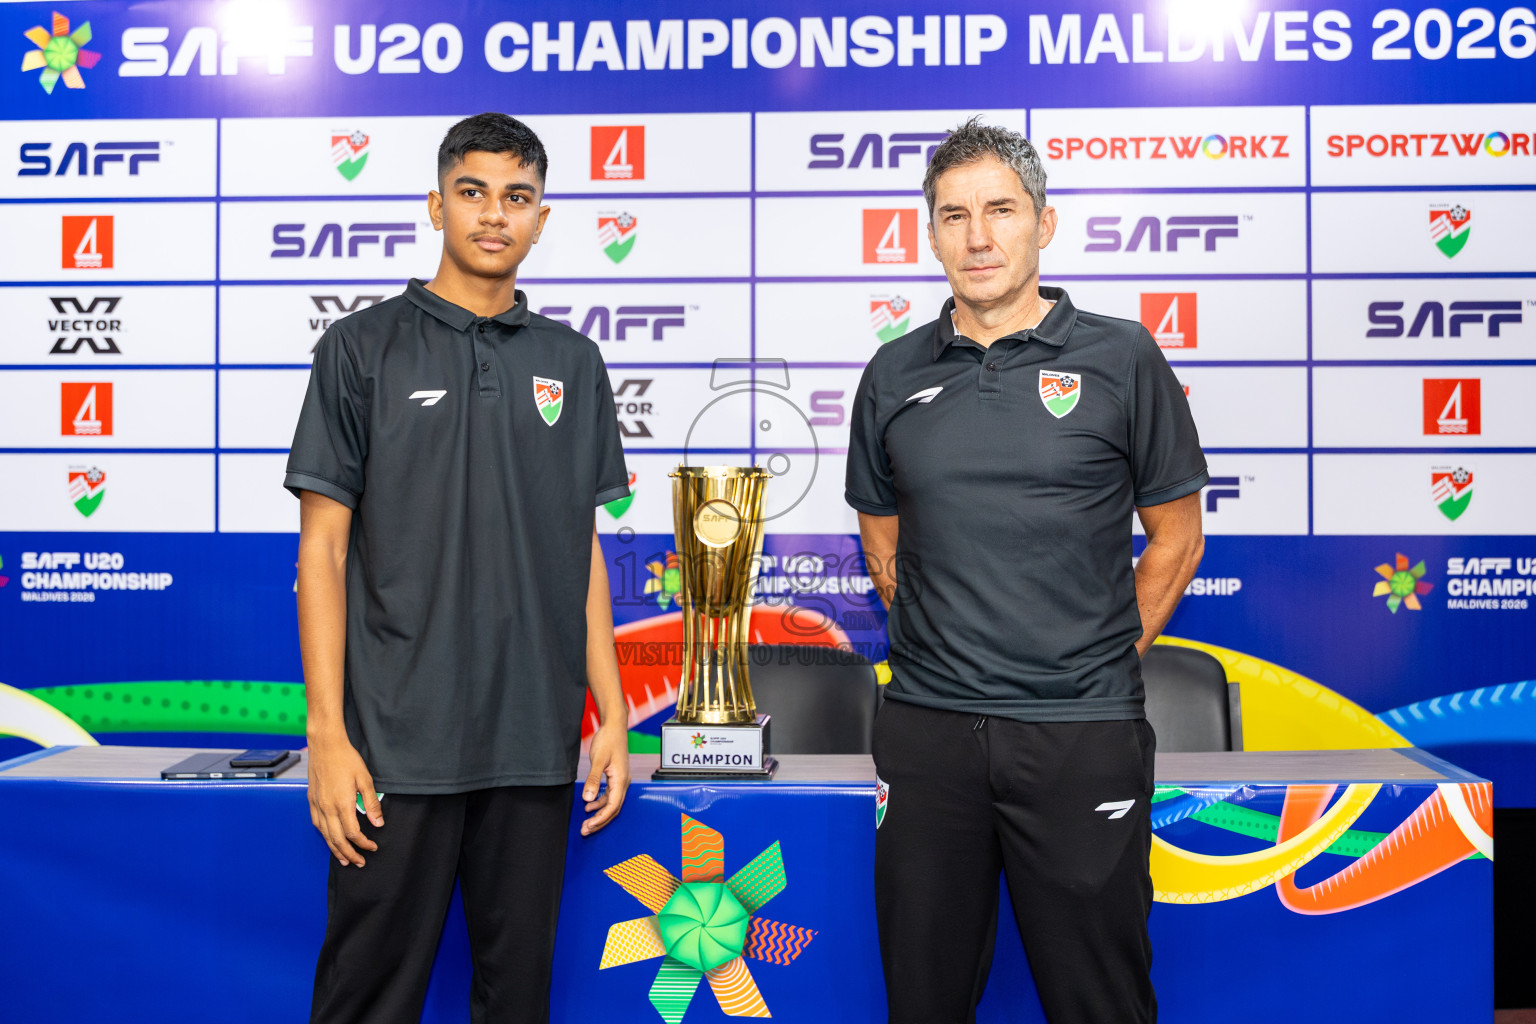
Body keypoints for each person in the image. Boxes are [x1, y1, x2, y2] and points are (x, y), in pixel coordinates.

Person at [845, 117, 1207, 1024]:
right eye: (954, 215)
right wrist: (949, 644)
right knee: (922, 1003)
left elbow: (1176, 539)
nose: (978, 236)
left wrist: (1095, 658)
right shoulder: (891, 373)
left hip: (1080, 733)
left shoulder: (1123, 356)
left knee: (1101, 1002)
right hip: (927, 737)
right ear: (930, 235)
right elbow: (882, 542)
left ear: (1043, 223)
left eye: (1000, 210)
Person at [287, 112, 633, 1024]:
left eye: (516, 197)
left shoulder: (574, 362)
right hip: (395, 747)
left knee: (516, 1002)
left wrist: (611, 711)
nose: (493, 214)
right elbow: (321, 551)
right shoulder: (360, 348)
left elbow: (580, 546)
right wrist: (327, 736)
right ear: (437, 205)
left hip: (534, 743)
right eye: (472, 192)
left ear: (541, 220)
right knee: (366, 1000)